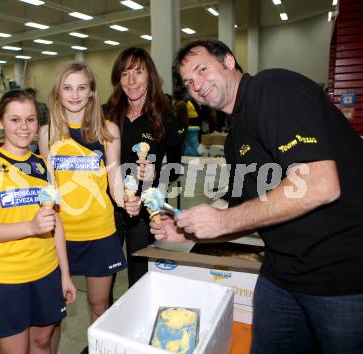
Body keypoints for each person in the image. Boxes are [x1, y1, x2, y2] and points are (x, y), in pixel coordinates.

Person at [151, 39, 363, 354]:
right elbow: (243, 213)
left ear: (229, 61)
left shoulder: (272, 89)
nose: (198, 85)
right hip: (281, 275)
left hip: (341, 277)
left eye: (203, 69)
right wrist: (186, 233)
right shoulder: (234, 139)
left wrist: (223, 219)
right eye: (189, 82)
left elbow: (320, 183)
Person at [38, 61, 140, 350]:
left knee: (98, 305)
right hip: (60, 236)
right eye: (67, 88)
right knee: (53, 315)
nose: (74, 95)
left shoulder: (107, 131)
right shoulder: (47, 134)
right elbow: (50, 187)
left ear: (92, 92)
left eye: (82, 87)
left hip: (100, 232)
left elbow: (115, 183)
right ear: (58, 92)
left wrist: (128, 203)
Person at [0, 89, 77, 354]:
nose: (24, 127)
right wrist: (30, 227)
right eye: (15, 120)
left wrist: (65, 275)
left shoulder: (42, 165)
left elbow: (56, 224)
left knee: (42, 343)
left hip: (47, 271)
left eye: (30, 119)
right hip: (7, 278)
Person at [105, 47, 185, 287]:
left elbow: (176, 167)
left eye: (138, 72)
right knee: (102, 282)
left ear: (149, 75)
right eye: (125, 73)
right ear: (118, 79)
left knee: (141, 281)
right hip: (108, 209)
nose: (132, 81)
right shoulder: (107, 115)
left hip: (145, 213)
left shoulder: (167, 118)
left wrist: (157, 172)